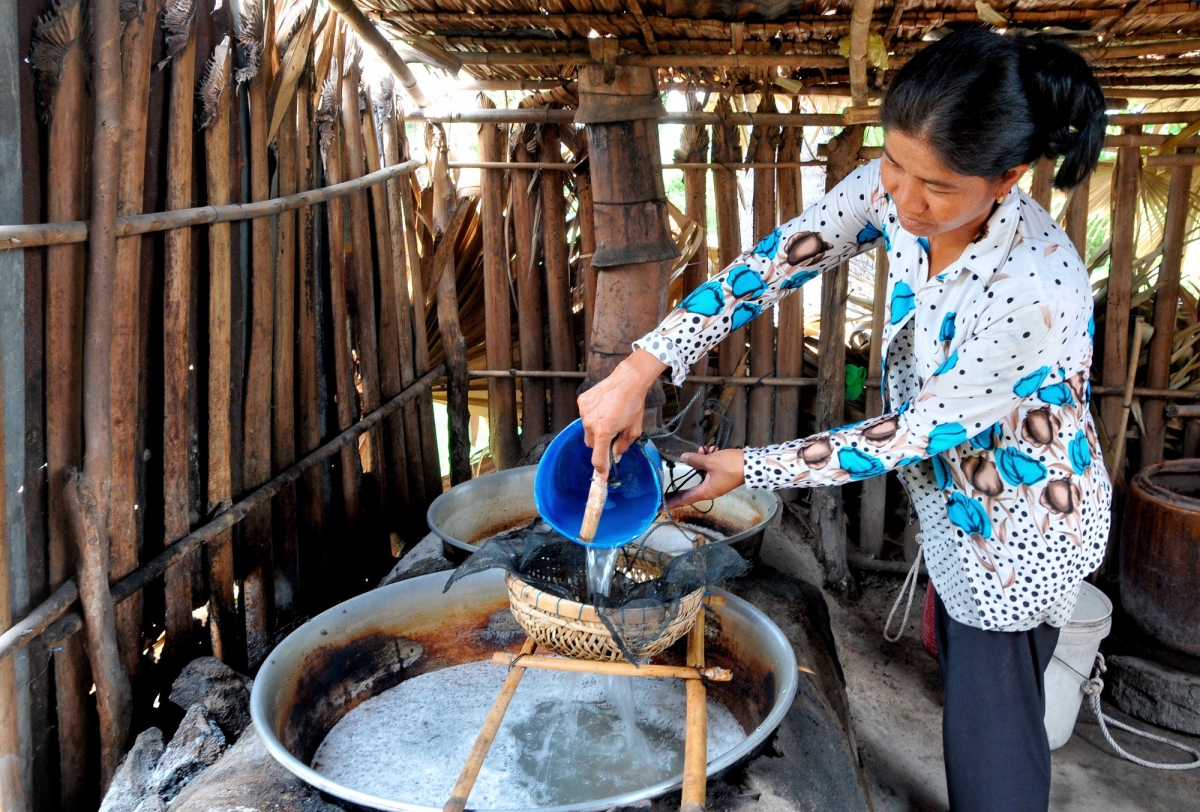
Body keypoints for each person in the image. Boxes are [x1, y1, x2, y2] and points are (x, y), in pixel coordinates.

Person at [578, 28, 1111, 812]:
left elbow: (918, 431)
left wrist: (747, 468)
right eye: (893, 164)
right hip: (956, 499)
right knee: (972, 686)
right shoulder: (896, 189)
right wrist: (640, 367)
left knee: (991, 737)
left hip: (1023, 525)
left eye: (935, 185)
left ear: (1008, 178)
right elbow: (771, 266)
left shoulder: (1037, 286)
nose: (902, 197)